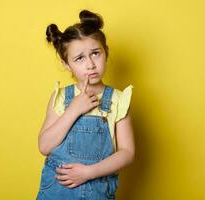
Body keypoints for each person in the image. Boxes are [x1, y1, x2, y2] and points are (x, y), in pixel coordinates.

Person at [36, 9, 135, 200]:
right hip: (56, 192)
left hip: (96, 191)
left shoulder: (119, 100)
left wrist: (89, 172)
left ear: (106, 52)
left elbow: (127, 152)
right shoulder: (61, 98)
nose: (90, 64)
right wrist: (73, 110)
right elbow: (44, 146)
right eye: (79, 58)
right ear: (66, 64)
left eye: (95, 54)